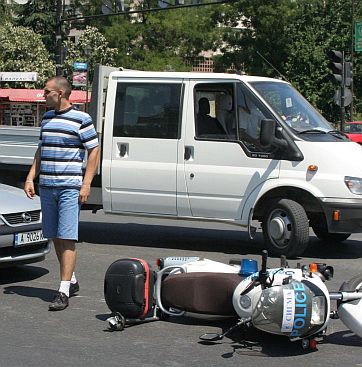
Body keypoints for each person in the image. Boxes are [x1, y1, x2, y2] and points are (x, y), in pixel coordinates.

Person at [24, 76, 100, 311]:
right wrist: (30, 177)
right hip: (47, 186)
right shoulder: (47, 117)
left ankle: (63, 290)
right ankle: (72, 280)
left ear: (61, 93)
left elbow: (94, 150)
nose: (43, 95)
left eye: (46, 91)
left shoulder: (81, 119)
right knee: (55, 235)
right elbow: (41, 150)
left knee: (67, 236)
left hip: (69, 187)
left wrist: (86, 184)